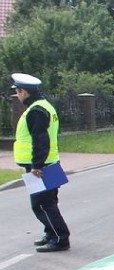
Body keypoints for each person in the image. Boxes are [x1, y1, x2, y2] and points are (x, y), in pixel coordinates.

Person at [13, 72, 70, 252]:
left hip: (41, 165)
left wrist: (37, 166)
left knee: (41, 204)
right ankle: (51, 233)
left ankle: (60, 238)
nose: (17, 95)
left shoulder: (36, 111)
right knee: (49, 201)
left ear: (23, 92)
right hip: (50, 161)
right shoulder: (44, 106)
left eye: (17, 91)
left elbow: (40, 139)